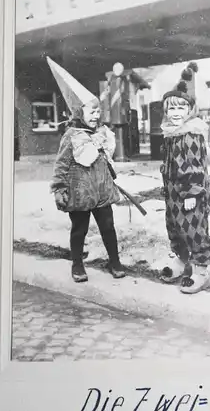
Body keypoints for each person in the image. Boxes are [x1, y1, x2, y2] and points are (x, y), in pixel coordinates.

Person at [47, 57, 126, 283]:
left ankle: (115, 261)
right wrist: (59, 188)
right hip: (80, 192)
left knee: (108, 227)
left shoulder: (101, 133)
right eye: (91, 112)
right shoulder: (71, 136)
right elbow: (61, 164)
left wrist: (110, 171)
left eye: (97, 111)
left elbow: (105, 159)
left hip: (102, 190)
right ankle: (77, 264)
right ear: (79, 113)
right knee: (79, 229)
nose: (96, 115)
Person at [159, 78, 210, 294]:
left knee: (193, 228)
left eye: (181, 107)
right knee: (175, 225)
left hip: (190, 191)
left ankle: (201, 268)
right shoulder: (172, 134)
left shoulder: (190, 133)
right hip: (173, 191)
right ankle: (182, 260)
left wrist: (192, 193)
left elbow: (193, 167)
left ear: (190, 110)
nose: (175, 112)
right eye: (171, 108)